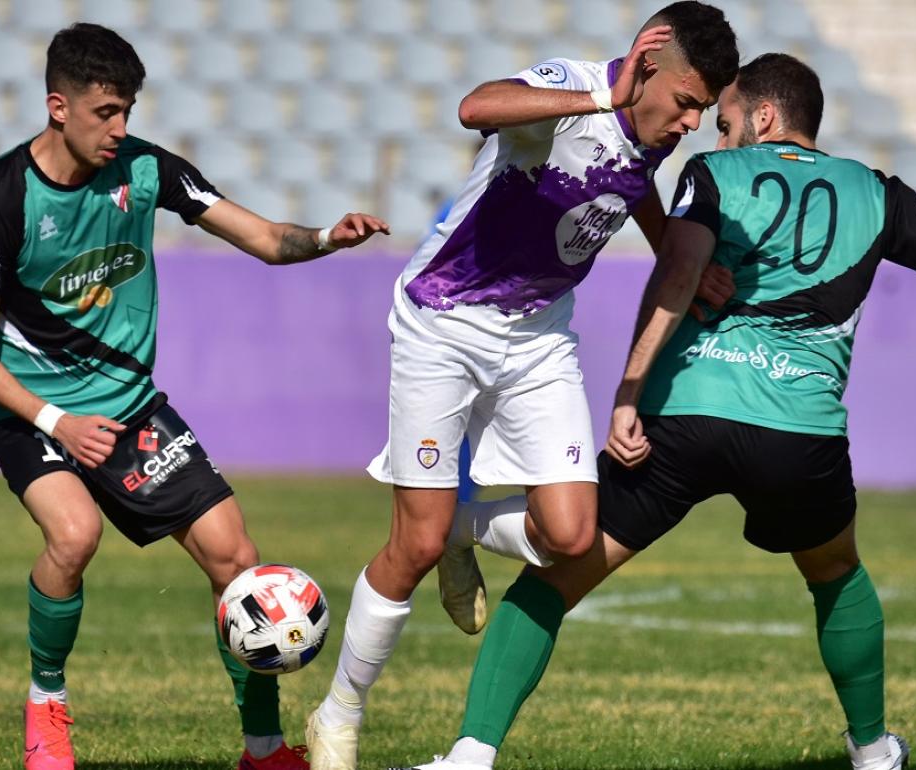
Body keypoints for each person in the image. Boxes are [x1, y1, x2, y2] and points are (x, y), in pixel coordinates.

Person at [394, 53, 916, 770]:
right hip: (797, 433)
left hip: (684, 418)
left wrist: (630, 392)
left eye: (728, 119)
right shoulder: (880, 194)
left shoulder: (714, 178)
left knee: (554, 579)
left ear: (766, 117)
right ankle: (874, 753)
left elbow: (678, 271)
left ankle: (469, 758)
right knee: (836, 571)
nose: (715, 133)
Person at [303, 4, 738, 769]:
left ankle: (465, 526)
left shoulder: (651, 134)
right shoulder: (574, 88)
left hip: (538, 339)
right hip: (443, 321)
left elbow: (623, 180)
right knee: (414, 541)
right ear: (647, 69)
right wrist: (602, 98)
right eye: (687, 101)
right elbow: (477, 107)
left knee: (570, 536)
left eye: (705, 108)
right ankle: (338, 714)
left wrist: (681, 256)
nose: (694, 122)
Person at [0, 23, 390, 770]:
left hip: (126, 401)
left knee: (236, 558)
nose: (121, 129)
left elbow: (260, 237)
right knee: (73, 535)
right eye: (105, 113)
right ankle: (46, 708)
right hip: (29, 407)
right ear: (59, 106)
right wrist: (57, 419)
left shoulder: (146, 170)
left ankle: (262, 751)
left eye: (127, 111)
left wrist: (325, 236)